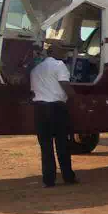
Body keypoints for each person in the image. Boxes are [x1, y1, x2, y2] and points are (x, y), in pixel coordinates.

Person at [30, 42, 79, 188]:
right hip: (56, 108)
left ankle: (49, 180)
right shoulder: (59, 65)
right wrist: (76, 100)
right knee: (62, 144)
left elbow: (33, 90)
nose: (65, 54)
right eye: (62, 50)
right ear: (54, 52)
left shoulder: (36, 69)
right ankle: (68, 176)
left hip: (39, 109)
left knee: (46, 146)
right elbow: (65, 85)